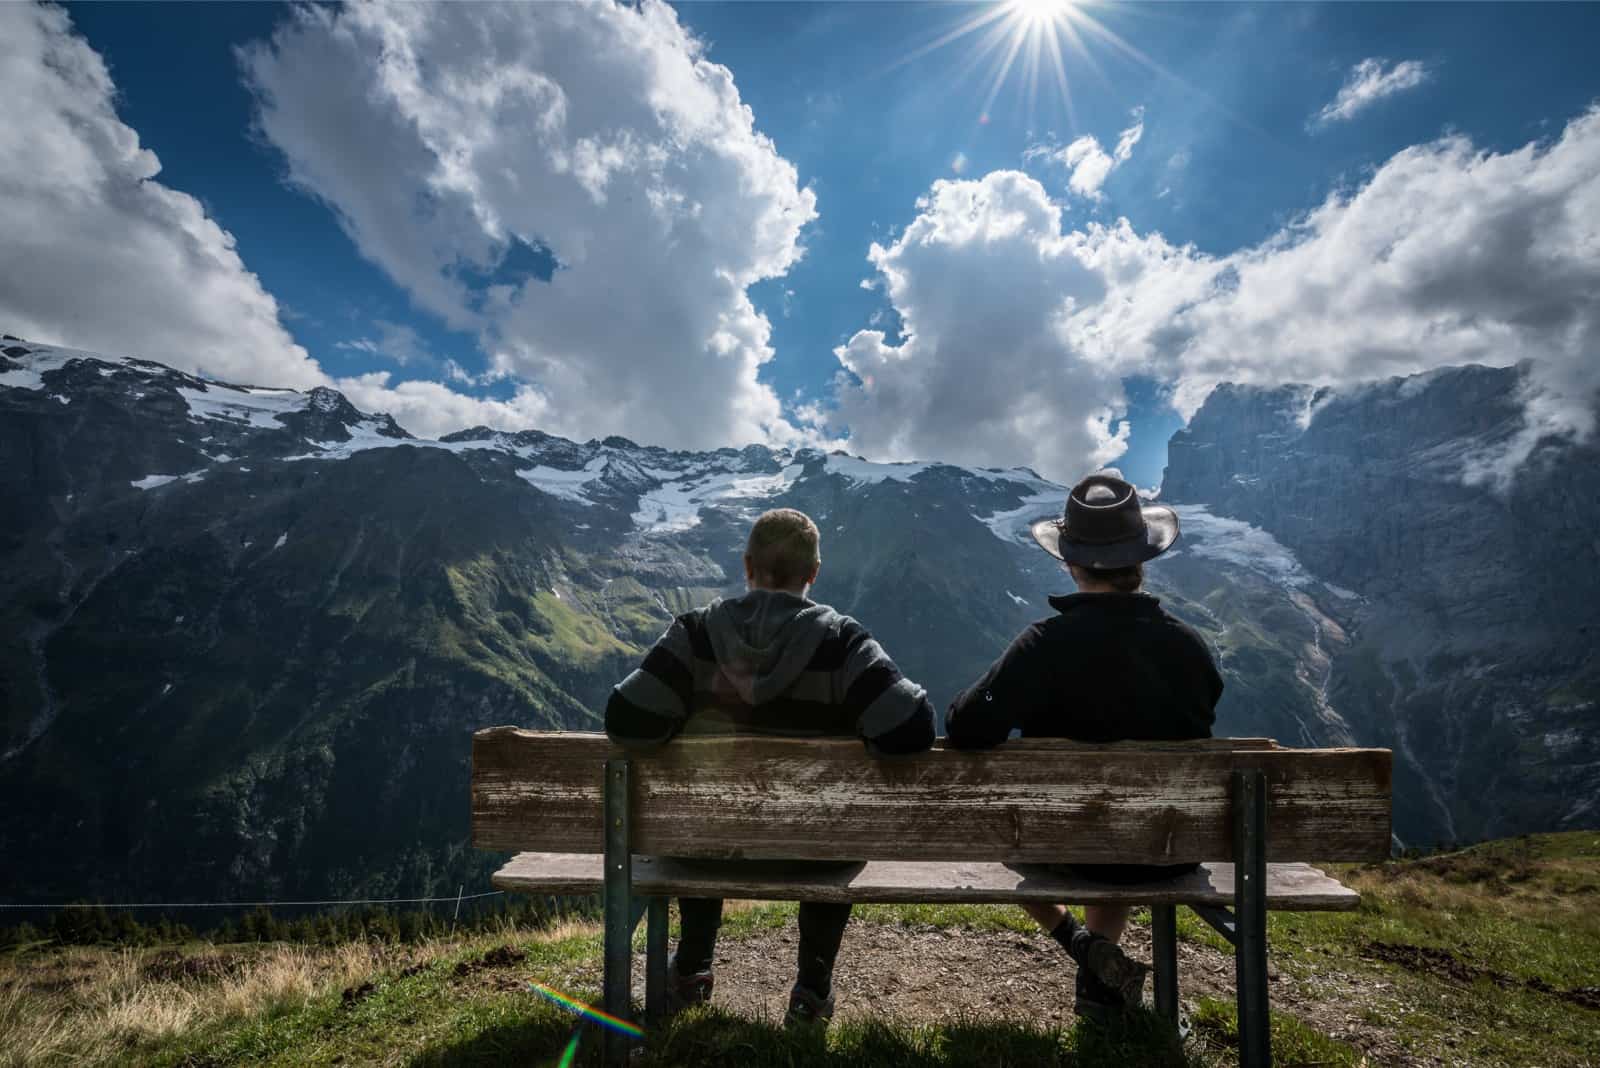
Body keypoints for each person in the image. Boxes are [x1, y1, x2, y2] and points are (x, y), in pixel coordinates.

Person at [606, 507, 936, 1028]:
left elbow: (624, 719)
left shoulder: (694, 633)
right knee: (830, 831)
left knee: (707, 817)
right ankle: (811, 991)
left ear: (747, 564)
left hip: (704, 847)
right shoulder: (842, 640)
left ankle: (691, 970)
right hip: (814, 851)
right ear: (814, 573)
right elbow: (911, 729)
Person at [945, 470, 1223, 1022]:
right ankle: (1098, 983)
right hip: (1169, 846)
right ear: (1142, 560)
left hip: (1064, 844)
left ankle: (1080, 944)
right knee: (1120, 825)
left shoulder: (1042, 647)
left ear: (1069, 562)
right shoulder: (1190, 649)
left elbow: (966, 726)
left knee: (1039, 830)